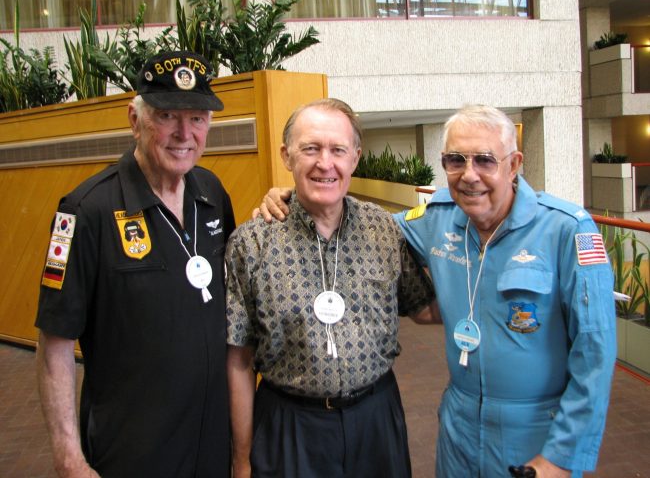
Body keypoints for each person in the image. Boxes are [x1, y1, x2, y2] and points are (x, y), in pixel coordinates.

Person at [258, 104, 617, 477]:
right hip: (458, 426)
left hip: (536, 429)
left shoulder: (566, 231)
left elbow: (595, 353)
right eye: (456, 160)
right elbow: (353, 223)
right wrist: (299, 195)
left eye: (485, 160)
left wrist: (561, 456)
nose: (469, 175)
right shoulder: (438, 218)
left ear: (513, 165)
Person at [35, 51, 235, 478]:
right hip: (133, 452)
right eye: (167, 116)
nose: (184, 133)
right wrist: (68, 457)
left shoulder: (212, 194)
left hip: (211, 443)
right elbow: (54, 341)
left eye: (197, 118)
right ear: (134, 119)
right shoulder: (85, 211)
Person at [225, 98, 437, 478]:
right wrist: (241, 460)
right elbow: (238, 357)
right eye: (311, 148)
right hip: (289, 428)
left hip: (376, 419)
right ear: (287, 156)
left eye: (338, 150)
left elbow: (422, 307)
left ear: (355, 158)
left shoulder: (383, 229)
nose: (325, 163)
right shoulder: (252, 243)